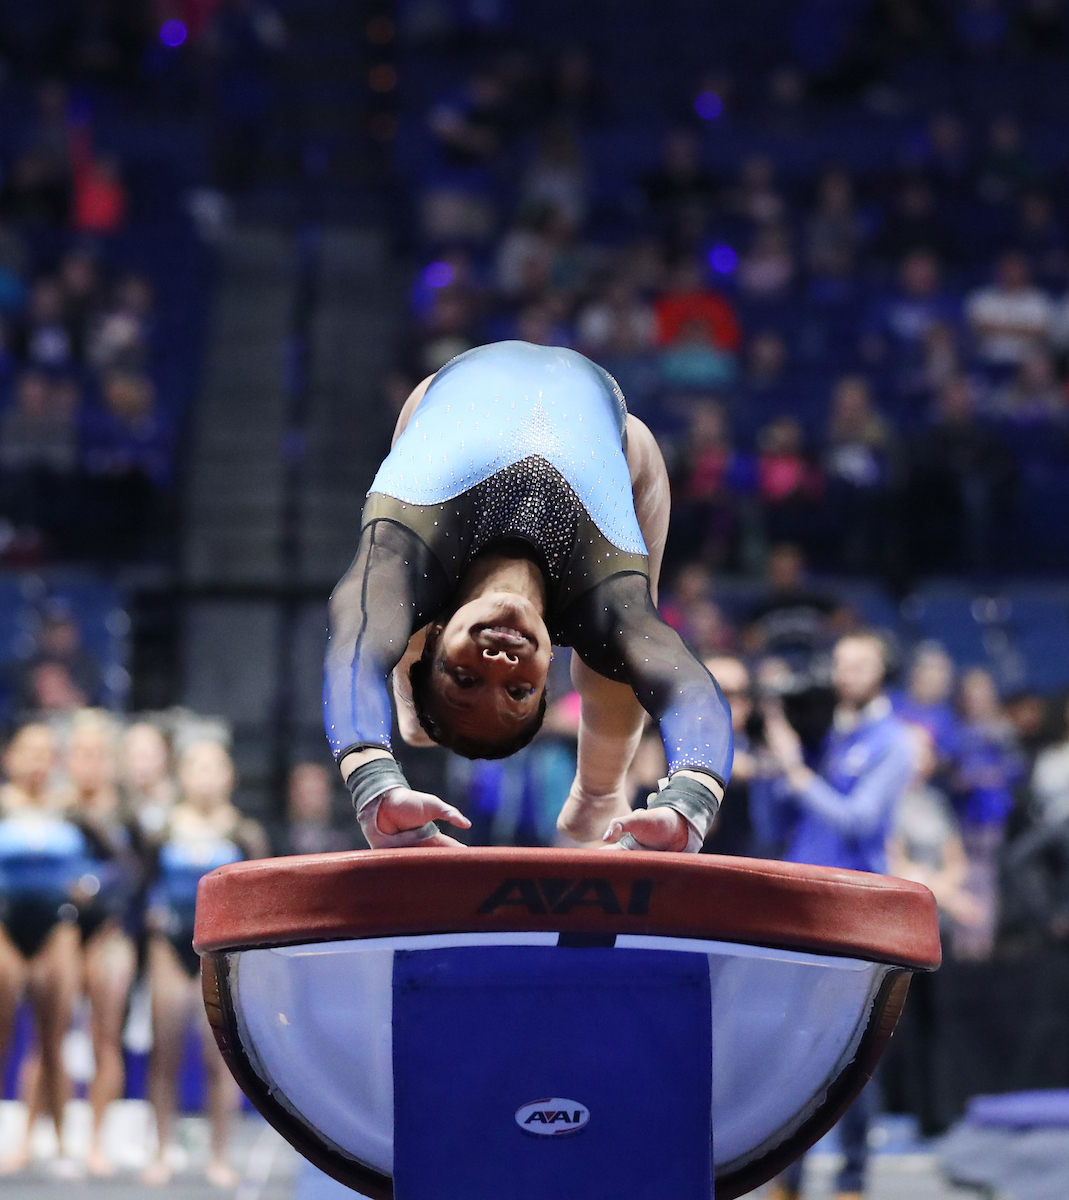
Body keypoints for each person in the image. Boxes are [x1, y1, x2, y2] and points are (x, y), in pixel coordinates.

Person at [324, 341, 733, 855]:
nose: (498, 664)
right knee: (622, 659)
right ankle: (600, 792)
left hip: (439, 396)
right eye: (518, 691)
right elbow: (692, 690)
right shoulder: (603, 597)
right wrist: (689, 805)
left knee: (385, 612)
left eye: (466, 679)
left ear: (436, 644)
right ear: (545, 679)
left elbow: (351, 649)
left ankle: (411, 697)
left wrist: (374, 787)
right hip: (623, 444)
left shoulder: (408, 543)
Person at [760, 632, 914, 1200]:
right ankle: (786, 1175)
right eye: (841, 661)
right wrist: (778, 768)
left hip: (855, 910)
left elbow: (858, 819)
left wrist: (798, 772)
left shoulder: (892, 742)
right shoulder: (821, 733)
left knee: (853, 1048)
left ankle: (852, 1179)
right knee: (794, 1045)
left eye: (859, 662)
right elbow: (778, 822)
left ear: (882, 671)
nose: (845, 671)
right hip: (800, 903)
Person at [142, 741, 268, 1187]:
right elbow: (143, 888)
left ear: (228, 777)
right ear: (182, 777)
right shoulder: (162, 832)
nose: (205, 777)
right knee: (165, 1051)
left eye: (214, 768)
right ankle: (160, 1151)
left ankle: (219, 1155)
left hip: (218, 952)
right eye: (196, 767)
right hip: (168, 949)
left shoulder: (244, 833)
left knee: (221, 1058)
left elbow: (259, 898)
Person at [0, 724, 87, 1175]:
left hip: (57, 927)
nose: (36, 762)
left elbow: (112, 866)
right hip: (4, 928)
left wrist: (88, 888)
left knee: (53, 1041)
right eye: (27, 752)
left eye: (45, 753)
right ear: (9, 758)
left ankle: (58, 1144)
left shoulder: (71, 810)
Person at [59, 710, 142, 1176]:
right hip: (65, 931)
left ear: (109, 760)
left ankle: (96, 1140)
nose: (88, 763)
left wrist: (93, 887)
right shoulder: (56, 808)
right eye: (80, 754)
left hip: (111, 932)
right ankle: (49, 1138)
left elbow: (136, 875)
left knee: (103, 1037)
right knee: (50, 1038)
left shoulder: (125, 814)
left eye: (96, 754)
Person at [275, 762, 354, 856]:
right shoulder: (274, 841)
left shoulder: (347, 841)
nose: (310, 800)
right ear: (292, 794)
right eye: (305, 793)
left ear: (328, 794)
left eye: (316, 792)